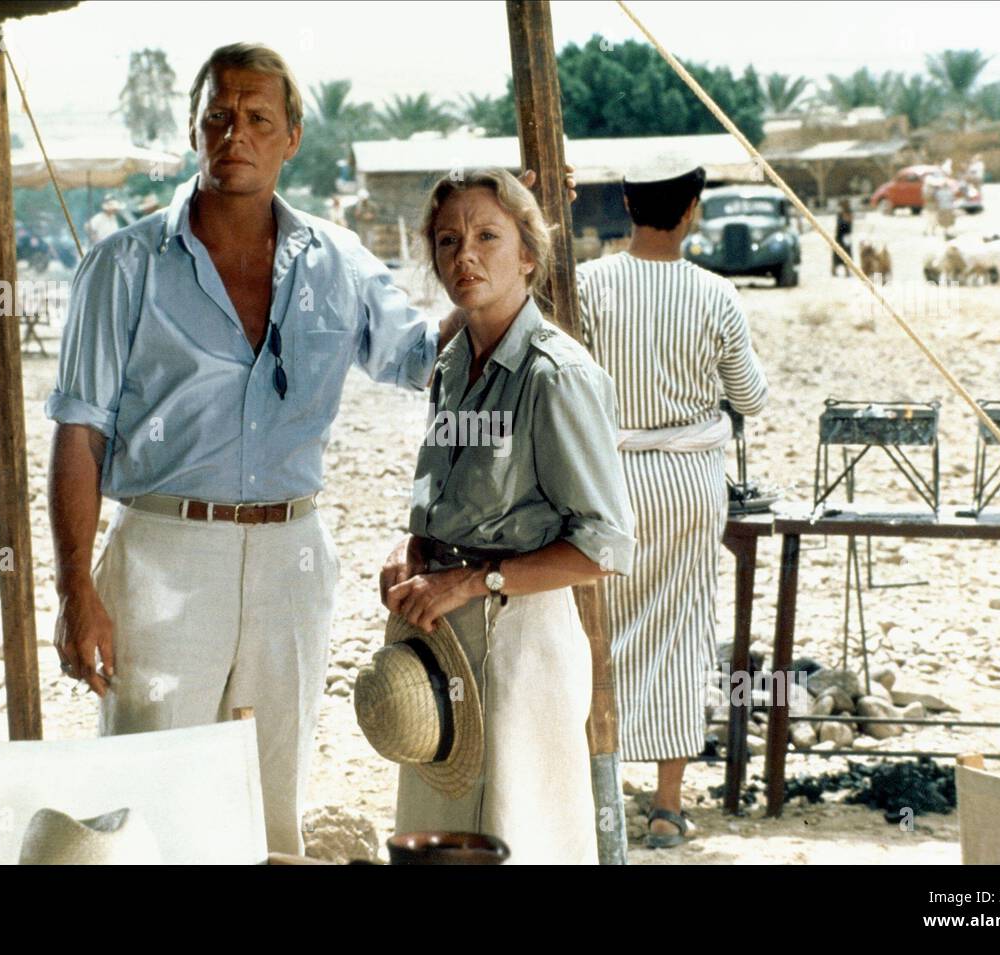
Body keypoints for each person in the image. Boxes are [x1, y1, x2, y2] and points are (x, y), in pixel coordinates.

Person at [45, 42, 468, 855]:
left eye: (257, 118)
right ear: (195, 129)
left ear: (292, 137)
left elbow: (420, 358)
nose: (234, 133)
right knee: (145, 787)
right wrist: (74, 590)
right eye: (217, 117)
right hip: (165, 551)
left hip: (292, 554)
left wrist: (497, 270)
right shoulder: (122, 265)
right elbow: (79, 433)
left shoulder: (336, 259)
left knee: (271, 790)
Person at [375, 168, 636, 865]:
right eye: (448, 240)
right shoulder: (453, 365)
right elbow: (442, 493)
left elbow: (605, 545)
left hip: (523, 639)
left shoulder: (557, 375)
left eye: (488, 236)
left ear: (528, 253)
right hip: (443, 631)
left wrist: (472, 582)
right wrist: (413, 547)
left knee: (521, 832)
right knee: (443, 828)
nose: (465, 256)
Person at [574, 162, 768, 849]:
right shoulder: (716, 294)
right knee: (683, 634)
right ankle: (664, 805)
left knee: (594, 633)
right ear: (692, 209)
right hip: (688, 483)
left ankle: (590, 794)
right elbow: (750, 398)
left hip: (606, 479)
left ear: (626, 203)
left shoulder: (589, 284)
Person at [833, 198, 854, 276]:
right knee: (837, 254)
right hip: (840, 236)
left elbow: (850, 223)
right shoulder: (840, 213)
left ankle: (847, 271)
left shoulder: (849, 212)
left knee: (847, 254)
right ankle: (834, 270)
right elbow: (840, 225)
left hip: (847, 236)